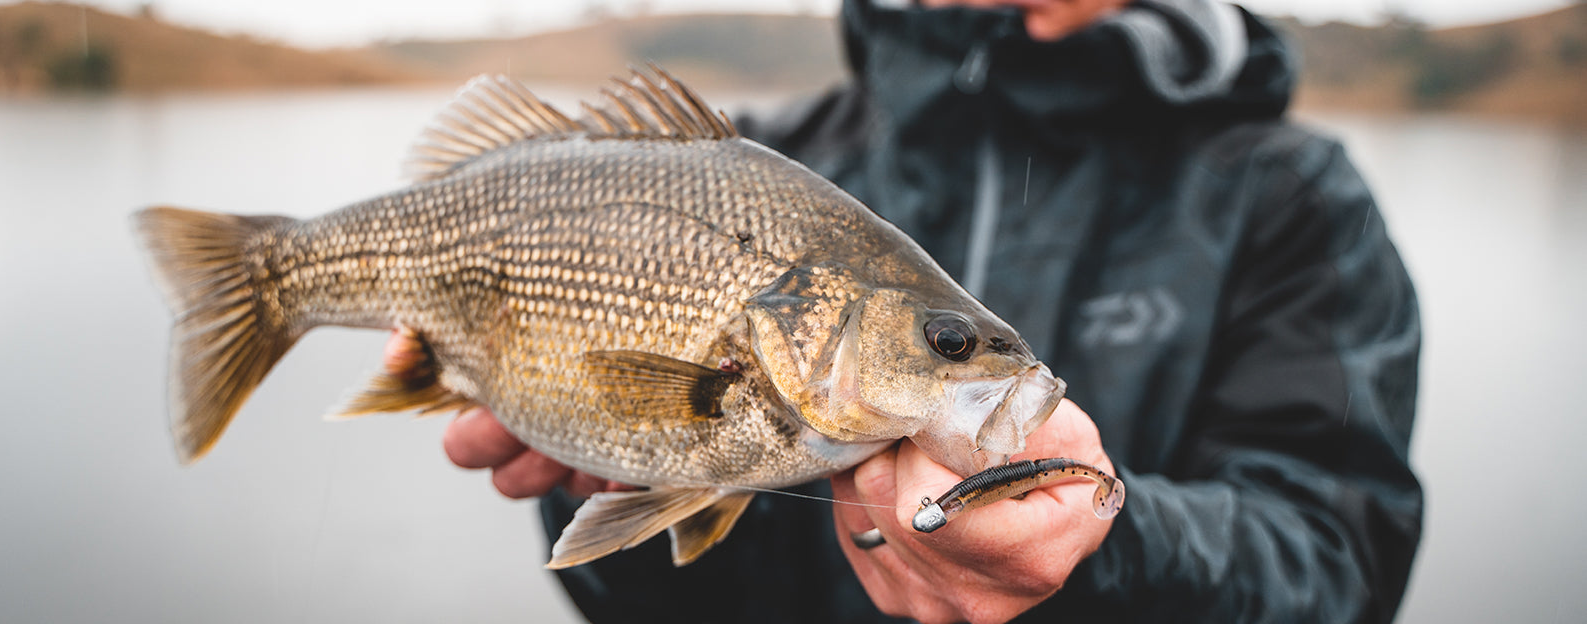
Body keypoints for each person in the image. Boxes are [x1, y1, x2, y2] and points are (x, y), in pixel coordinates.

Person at [409, 0, 1425, 621]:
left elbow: (1338, 567)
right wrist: (600, 457)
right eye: (947, 341)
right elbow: (660, 606)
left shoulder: (1289, 194)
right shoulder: (775, 159)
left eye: (949, 341)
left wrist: (1107, 557)